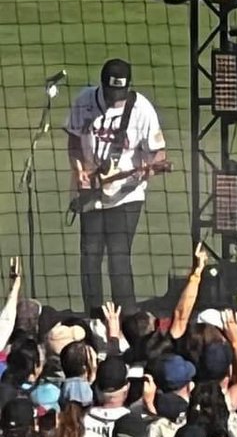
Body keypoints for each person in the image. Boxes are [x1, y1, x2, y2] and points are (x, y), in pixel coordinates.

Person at [65, 58, 168, 309]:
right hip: (91, 190)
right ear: (102, 86)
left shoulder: (142, 109)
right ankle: (94, 316)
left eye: (120, 93)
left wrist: (147, 170)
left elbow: (159, 154)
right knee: (89, 257)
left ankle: (128, 317)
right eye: (111, 93)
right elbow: (75, 143)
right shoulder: (85, 101)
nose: (115, 99)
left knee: (118, 257)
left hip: (126, 195)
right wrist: (79, 171)